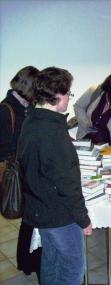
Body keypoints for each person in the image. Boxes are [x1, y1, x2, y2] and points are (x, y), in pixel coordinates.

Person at [18, 67, 92, 284]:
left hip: (39, 207)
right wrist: (83, 219)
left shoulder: (31, 120)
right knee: (73, 266)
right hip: (58, 213)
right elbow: (67, 183)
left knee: (51, 259)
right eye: (69, 93)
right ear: (58, 95)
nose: (69, 98)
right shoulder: (52, 131)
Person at [0, 66, 42, 281]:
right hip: (18, 172)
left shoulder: (27, 106)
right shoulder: (7, 109)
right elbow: (4, 147)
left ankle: (27, 260)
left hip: (28, 170)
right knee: (29, 217)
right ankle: (28, 261)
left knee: (30, 217)